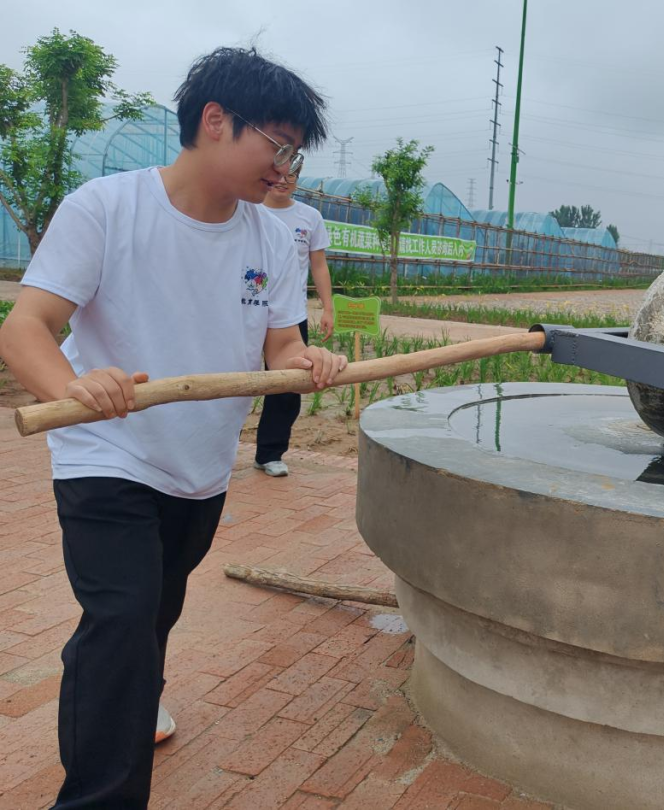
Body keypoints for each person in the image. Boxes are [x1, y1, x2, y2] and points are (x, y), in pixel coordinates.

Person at [0, 46, 347, 808]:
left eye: (294, 151)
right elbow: (26, 327)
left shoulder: (270, 239)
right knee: (120, 620)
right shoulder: (106, 207)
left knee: (152, 612)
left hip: (199, 468)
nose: (286, 165)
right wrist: (75, 384)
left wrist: (307, 359)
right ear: (215, 122)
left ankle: (126, 694)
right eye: (278, 144)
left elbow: (280, 344)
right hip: (106, 453)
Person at [254, 167, 334, 477]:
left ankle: (269, 453)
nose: (284, 182)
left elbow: (319, 265)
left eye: (292, 177)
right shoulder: (249, 210)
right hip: (248, 310)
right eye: (280, 175)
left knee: (287, 384)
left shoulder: (309, 217)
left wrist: (327, 309)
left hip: (289, 315)